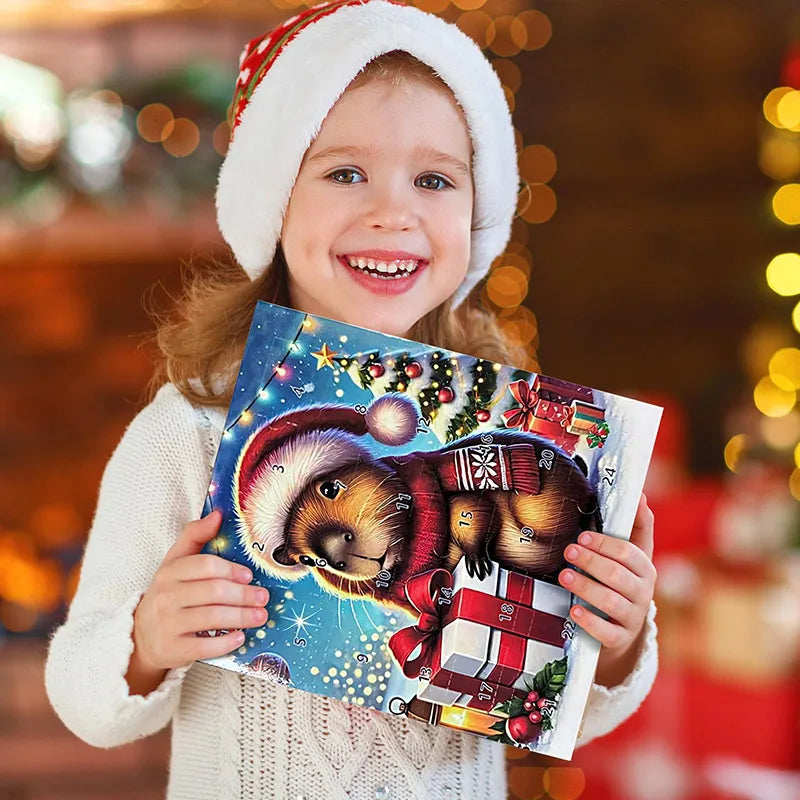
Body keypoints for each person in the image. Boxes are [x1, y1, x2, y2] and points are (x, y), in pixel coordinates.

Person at [45, 2, 658, 798]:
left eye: (434, 179)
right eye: (344, 172)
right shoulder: (188, 432)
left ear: (477, 213)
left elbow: (574, 708)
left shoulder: (499, 429)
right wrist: (146, 637)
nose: (392, 212)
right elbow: (83, 700)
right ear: (274, 202)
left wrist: (616, 635)